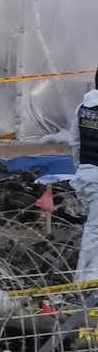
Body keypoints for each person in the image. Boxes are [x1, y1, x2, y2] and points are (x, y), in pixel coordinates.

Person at [73, 72, 98, 282]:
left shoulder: (83, 108)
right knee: (95, 232)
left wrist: (81, 170)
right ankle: (86, 281)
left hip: (86, 175)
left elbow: (75, 144)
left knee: (93, 229)